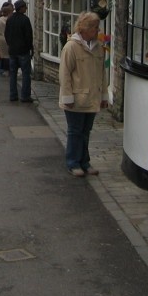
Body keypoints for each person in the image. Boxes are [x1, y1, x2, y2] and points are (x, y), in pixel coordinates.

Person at [59, 12, 107, 177]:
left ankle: (84, 162)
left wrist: (104, 96)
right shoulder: (71, 47)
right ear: (85, 28)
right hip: (76, 97)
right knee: (75, 131)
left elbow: (102, 73)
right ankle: (73, 162)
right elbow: (65, 74)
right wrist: (67, 97)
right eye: (94, 27)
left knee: (86, 131)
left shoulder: (98, 47)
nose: (97, 30)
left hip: (92, 97)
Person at [5, 0, 34, 103]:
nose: (26, 8)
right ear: (20, 8)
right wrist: (30, 48)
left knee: (13, 74)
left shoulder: (10, 19)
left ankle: (13, 95)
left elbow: (6, 34)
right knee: (26, 74)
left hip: (12, 50)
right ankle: (25, 96)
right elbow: (29, 36)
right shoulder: (25, 20)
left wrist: (10, 44)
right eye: (24, 7)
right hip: (23, 51)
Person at [0, 1, 14, 76]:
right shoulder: (12, 20)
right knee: (9, 57)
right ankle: (9, 71)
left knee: (0, 57)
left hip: (1, 40)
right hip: (10, 40)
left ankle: (0, 70)